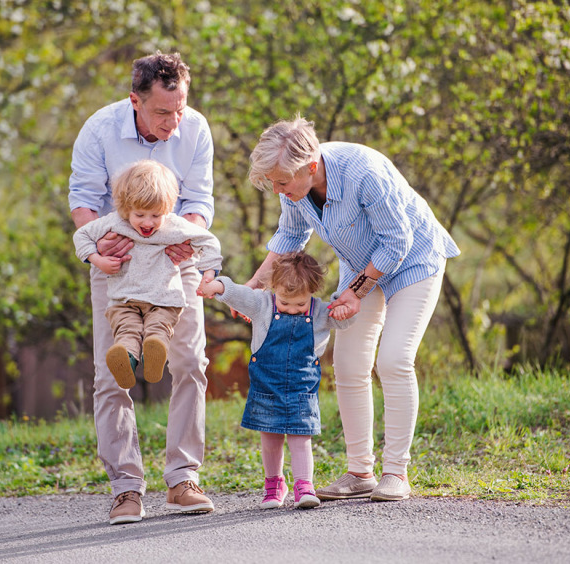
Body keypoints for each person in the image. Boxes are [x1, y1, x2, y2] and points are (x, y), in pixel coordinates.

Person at [242, 116, 460, 502]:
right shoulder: (292, 185)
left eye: (281, 181)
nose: (276, 189)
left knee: (393, 359)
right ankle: (360, 471)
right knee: (348, 364)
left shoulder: (364, 171)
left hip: (413, 260)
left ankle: (396, 472)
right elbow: (291, 235)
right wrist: (255, 285)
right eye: (272, 182)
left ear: (310, 166)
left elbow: (397, 240)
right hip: (362, 265)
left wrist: (357, 292)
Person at [68, 52, 216, 525]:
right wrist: (100, 250)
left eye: (179, 109)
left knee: (190, 361)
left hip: (176, 257)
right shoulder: (99, 129)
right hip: (118, 265)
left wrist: (185, 240)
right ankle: (126, 489)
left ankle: (183, 479)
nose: (174, 122)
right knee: (112, 374)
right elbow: (83, 200)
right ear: (135, 100)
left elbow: (198, 200)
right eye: (161, 112)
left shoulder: (194, 128)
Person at [197, 251, 354, 510]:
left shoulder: (320, 312)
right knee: (270, 439)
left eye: (300, 304)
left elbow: (347, 320)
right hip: (266, 387)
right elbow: (238, 293)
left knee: (300, 438)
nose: (292, 309)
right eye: (285, 302)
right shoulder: (263, 304)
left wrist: (346, 309)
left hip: (302, 390)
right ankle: (274, 485)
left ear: (313, 293)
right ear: (273, 289)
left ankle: (304, 486)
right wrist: (217, 286)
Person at [73, 160, 222, 391]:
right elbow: (81, 236)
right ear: (125, 208)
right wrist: (98, 260)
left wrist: (209, 272)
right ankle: (126, 358)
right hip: (124, 301)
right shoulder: (115, 222)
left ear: (168, 208)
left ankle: (155, 350)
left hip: (163, 300)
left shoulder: (174, 226)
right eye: (140, 214)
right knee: (126, 332)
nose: (148, 222)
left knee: (158, 328)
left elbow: (208, 240)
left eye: (156, 215)